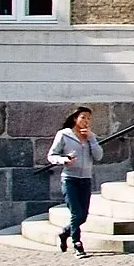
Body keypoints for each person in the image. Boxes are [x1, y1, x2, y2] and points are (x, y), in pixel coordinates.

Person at [47, 106, 104, 256]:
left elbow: (98, 156)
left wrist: (91, 139)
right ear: (75, 118)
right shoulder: (64, 135)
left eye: (88, 118)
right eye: (83, 117)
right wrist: (64, 160)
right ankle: (77, 243)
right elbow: (51, 155)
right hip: (69, 179)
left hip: (85, 179)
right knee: (76, 212)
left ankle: (65, 233)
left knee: (83, 215)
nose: (86, 121)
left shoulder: (90, 136)